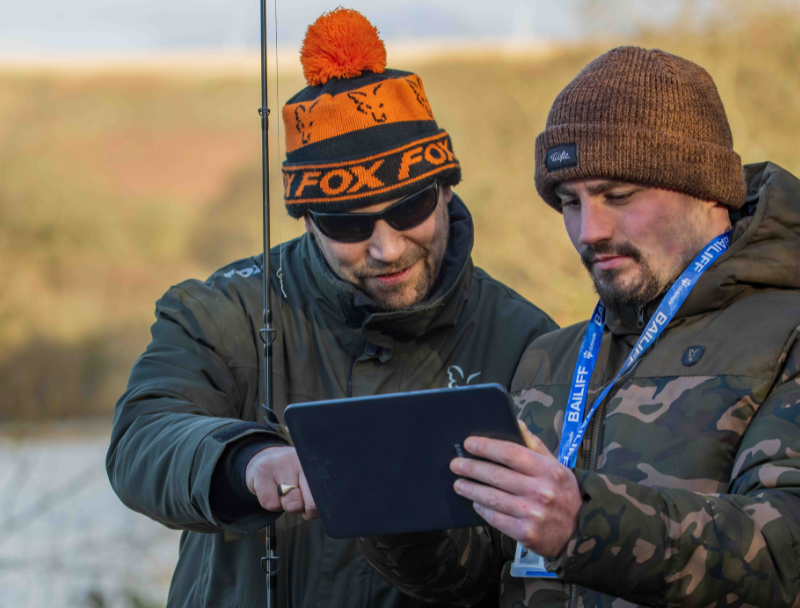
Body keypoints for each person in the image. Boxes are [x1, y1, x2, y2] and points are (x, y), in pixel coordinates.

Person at [105, 8, 556, 608]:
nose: (387, 246)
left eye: (411, 208)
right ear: (310, 220)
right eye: (348, 223)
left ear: (447, 188)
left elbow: (528, 558)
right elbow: (142, 436)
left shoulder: (530, 340)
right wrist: (246, 461)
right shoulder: (221, 308)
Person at [358, 46, 800, 607]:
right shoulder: (551, 357)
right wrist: (394, 513)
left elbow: (786, 555)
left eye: (618, 196)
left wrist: (583, 524)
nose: (589, 231)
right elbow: (478, 575)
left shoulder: (787, 336)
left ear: (706, 187)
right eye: (570, 202)